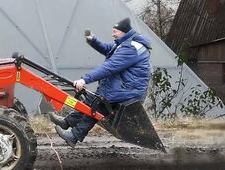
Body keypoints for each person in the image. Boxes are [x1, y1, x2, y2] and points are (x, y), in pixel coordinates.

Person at [50, 17, 152, 147]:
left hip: (129, 91)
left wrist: (85, 79)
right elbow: (107, 48)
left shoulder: (131, 49)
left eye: (115, 31)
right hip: (124, 87)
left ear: (124, 31)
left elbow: (109, 67)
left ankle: (74, 136)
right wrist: (93, 40)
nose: (112, 34)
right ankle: (67, 122)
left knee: (97, 105)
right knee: (91, 99)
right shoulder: (124, 43)